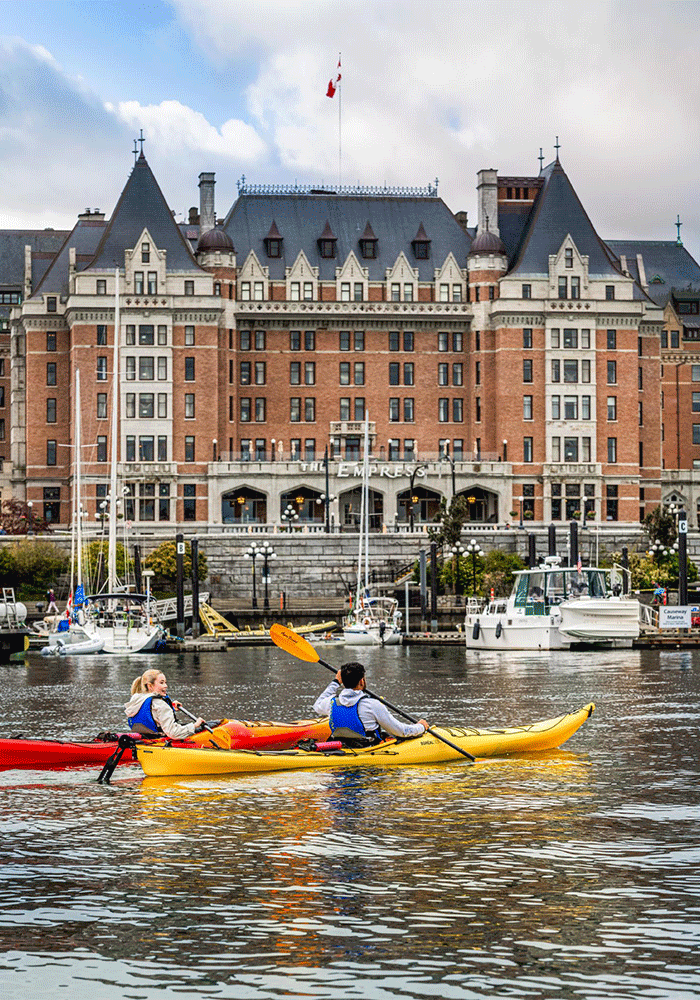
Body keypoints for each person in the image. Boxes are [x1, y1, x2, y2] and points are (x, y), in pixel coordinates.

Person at [313, 661, 428, 745]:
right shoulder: (372, 705)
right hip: (368, 750)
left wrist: (335, 682)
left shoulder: (331, 703)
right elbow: (401, 731)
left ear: (342, 681)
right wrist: (420, 727)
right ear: (362, 681)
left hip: (342, 747)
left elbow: (317, 705)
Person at [124, 669, 204, 738]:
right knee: (207, 726)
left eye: (165, 682)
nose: (166, 686)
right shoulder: (160, 704)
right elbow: (173, 733)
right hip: (158, 740)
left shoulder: (137, 699)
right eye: (161, 683)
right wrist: (195, 725)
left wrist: (171, 708)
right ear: (150, 686)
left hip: (145, 738)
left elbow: (153, 713)